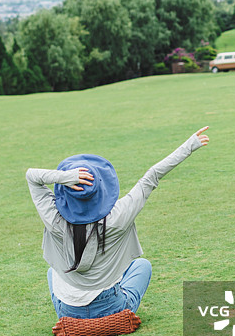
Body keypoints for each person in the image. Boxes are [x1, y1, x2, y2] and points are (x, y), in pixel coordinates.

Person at [26, 126, 210, 320]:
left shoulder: (54, 220)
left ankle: (80, 316)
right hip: (113, 309)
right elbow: (152, 176)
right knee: (142, 265)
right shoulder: (117, 218)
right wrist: (189, 146)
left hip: (68, 313)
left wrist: (65, 177)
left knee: (52, 271)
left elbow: (32, 176)